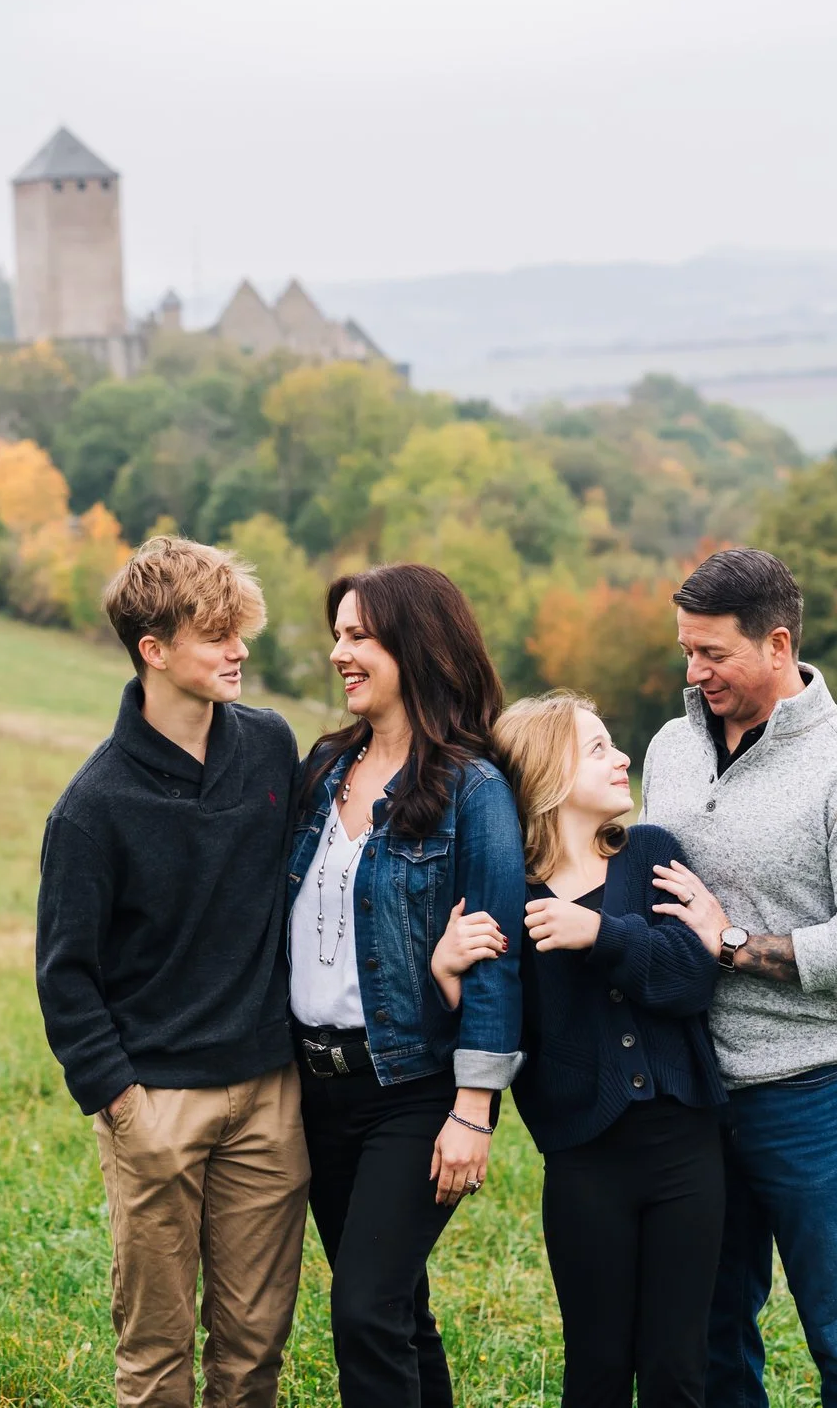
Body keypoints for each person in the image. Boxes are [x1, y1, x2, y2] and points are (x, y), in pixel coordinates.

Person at [636, 547, 837, 1408]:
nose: (695, 672)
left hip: (814, 1094)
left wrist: (730, 942)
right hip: (692, 1092)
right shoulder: (671, 746)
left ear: (776, 642)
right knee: (714, 1332)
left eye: (713, 654)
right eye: (686, 650)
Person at [34, 536, 308, 1408]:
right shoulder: (92, 807)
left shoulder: (270, 748)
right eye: (215, 634)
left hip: (270, 1094)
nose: (239, 651)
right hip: (157, 1105)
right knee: (155, 1357)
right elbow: (65, 975)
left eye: (241, 630)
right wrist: (124, 1105)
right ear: (153, 650)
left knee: (254, 1348)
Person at [286, 562, 525, 1408]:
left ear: (415, 646)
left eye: (360, 636)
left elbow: (496, 955)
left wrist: (474, 1107)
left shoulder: (473, 789)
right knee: (397, 1307)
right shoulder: (322, 770)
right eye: (338, 635)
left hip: (412, 1090)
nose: (338, 653)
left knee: (363, 1308)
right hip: (316, 1091)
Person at [466, 691, 728, 1408]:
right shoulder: (510, 893)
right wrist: (446, 975)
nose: (623, 758)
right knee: (597, 1366)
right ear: (548, 773)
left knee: (677, 1366)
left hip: (685, 1151)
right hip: (584, 1163)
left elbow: (690, 978)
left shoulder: (649, 854)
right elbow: (505, 1029)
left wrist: (599, 934)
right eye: (600, 747)